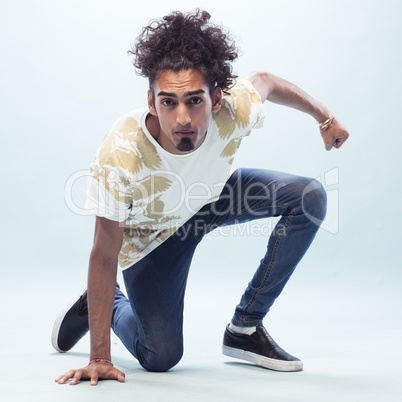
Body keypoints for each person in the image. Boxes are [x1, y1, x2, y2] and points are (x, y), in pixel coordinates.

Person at [53, 9, 349, 386]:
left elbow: (267, 83)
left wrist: (325, 118)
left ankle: (244, 329)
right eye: (168, 102)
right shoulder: (121, 153)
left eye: (194, 101)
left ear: (216, 99)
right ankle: (106, 302)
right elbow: (104, 252)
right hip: (153, 238)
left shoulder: (234, 111)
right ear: (150, 101)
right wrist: (99, 356)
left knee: (309, 196)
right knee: (160, 357)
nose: (182, 119)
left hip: (210, 199)